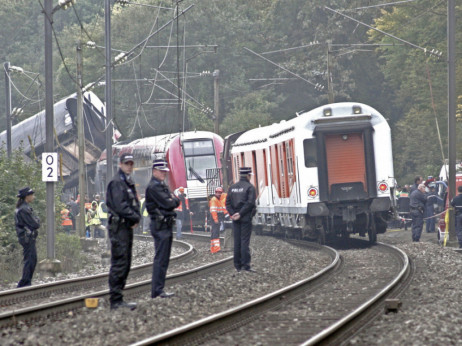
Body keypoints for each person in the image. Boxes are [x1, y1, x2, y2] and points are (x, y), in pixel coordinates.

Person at [106, 153, 141, 310]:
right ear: (120, 164)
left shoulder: (127, 182)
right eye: (127, 163)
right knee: (120, 261)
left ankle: (119, 297)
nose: (129, 166)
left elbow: (133, 203)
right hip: (119, 227)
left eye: (131, 164)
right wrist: (134, 217)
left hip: (126, 227)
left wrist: (135, 217)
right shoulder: (117, 183)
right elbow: (121, 206)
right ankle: (115, 300)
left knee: (125, 262)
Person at [145, 159, 180, 299]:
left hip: (164, 225)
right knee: (161, 259)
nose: (164, 174)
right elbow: (170, 203)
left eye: (165, 172)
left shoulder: (160, 185)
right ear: (154, 171)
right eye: (161, 171)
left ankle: (159, 289)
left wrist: (173, 200)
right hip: (160, 226)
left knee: (163, 259)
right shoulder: (154, 187)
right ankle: (157, 291)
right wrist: (172, 199)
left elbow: (174, 200)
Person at [226, 167, 257, 272]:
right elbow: (250, 203)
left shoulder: (232, 187)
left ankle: (237, 265)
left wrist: (233, 214)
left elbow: (228, 203)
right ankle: (245, 265)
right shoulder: (250, 187)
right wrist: (240, 213)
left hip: (235, 218)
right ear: (248, 175)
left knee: (237, 241)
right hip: (245, 218)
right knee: (244, 241)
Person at [15, 187, 40, 288]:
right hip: (27, 237)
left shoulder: (24, 208)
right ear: (27, 196)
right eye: (32, 195)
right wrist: (37, 220)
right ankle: (24, 283)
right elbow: (35, 224)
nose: (33, 196)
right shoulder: (24, 209)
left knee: (32, 259)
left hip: (27, 237)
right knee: (30, 259)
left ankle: (26, 282)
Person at [209, 187, 226, 253]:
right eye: (218, 193)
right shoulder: (214, 200)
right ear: (215, 193)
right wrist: (215, 219)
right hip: (215, 218)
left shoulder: (219, 199)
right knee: (215, 233)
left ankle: (213, 248)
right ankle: (216, 248)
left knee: (215, 232)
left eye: (220, 193)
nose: (219, 194)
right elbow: (213, 211)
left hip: (218, 217)